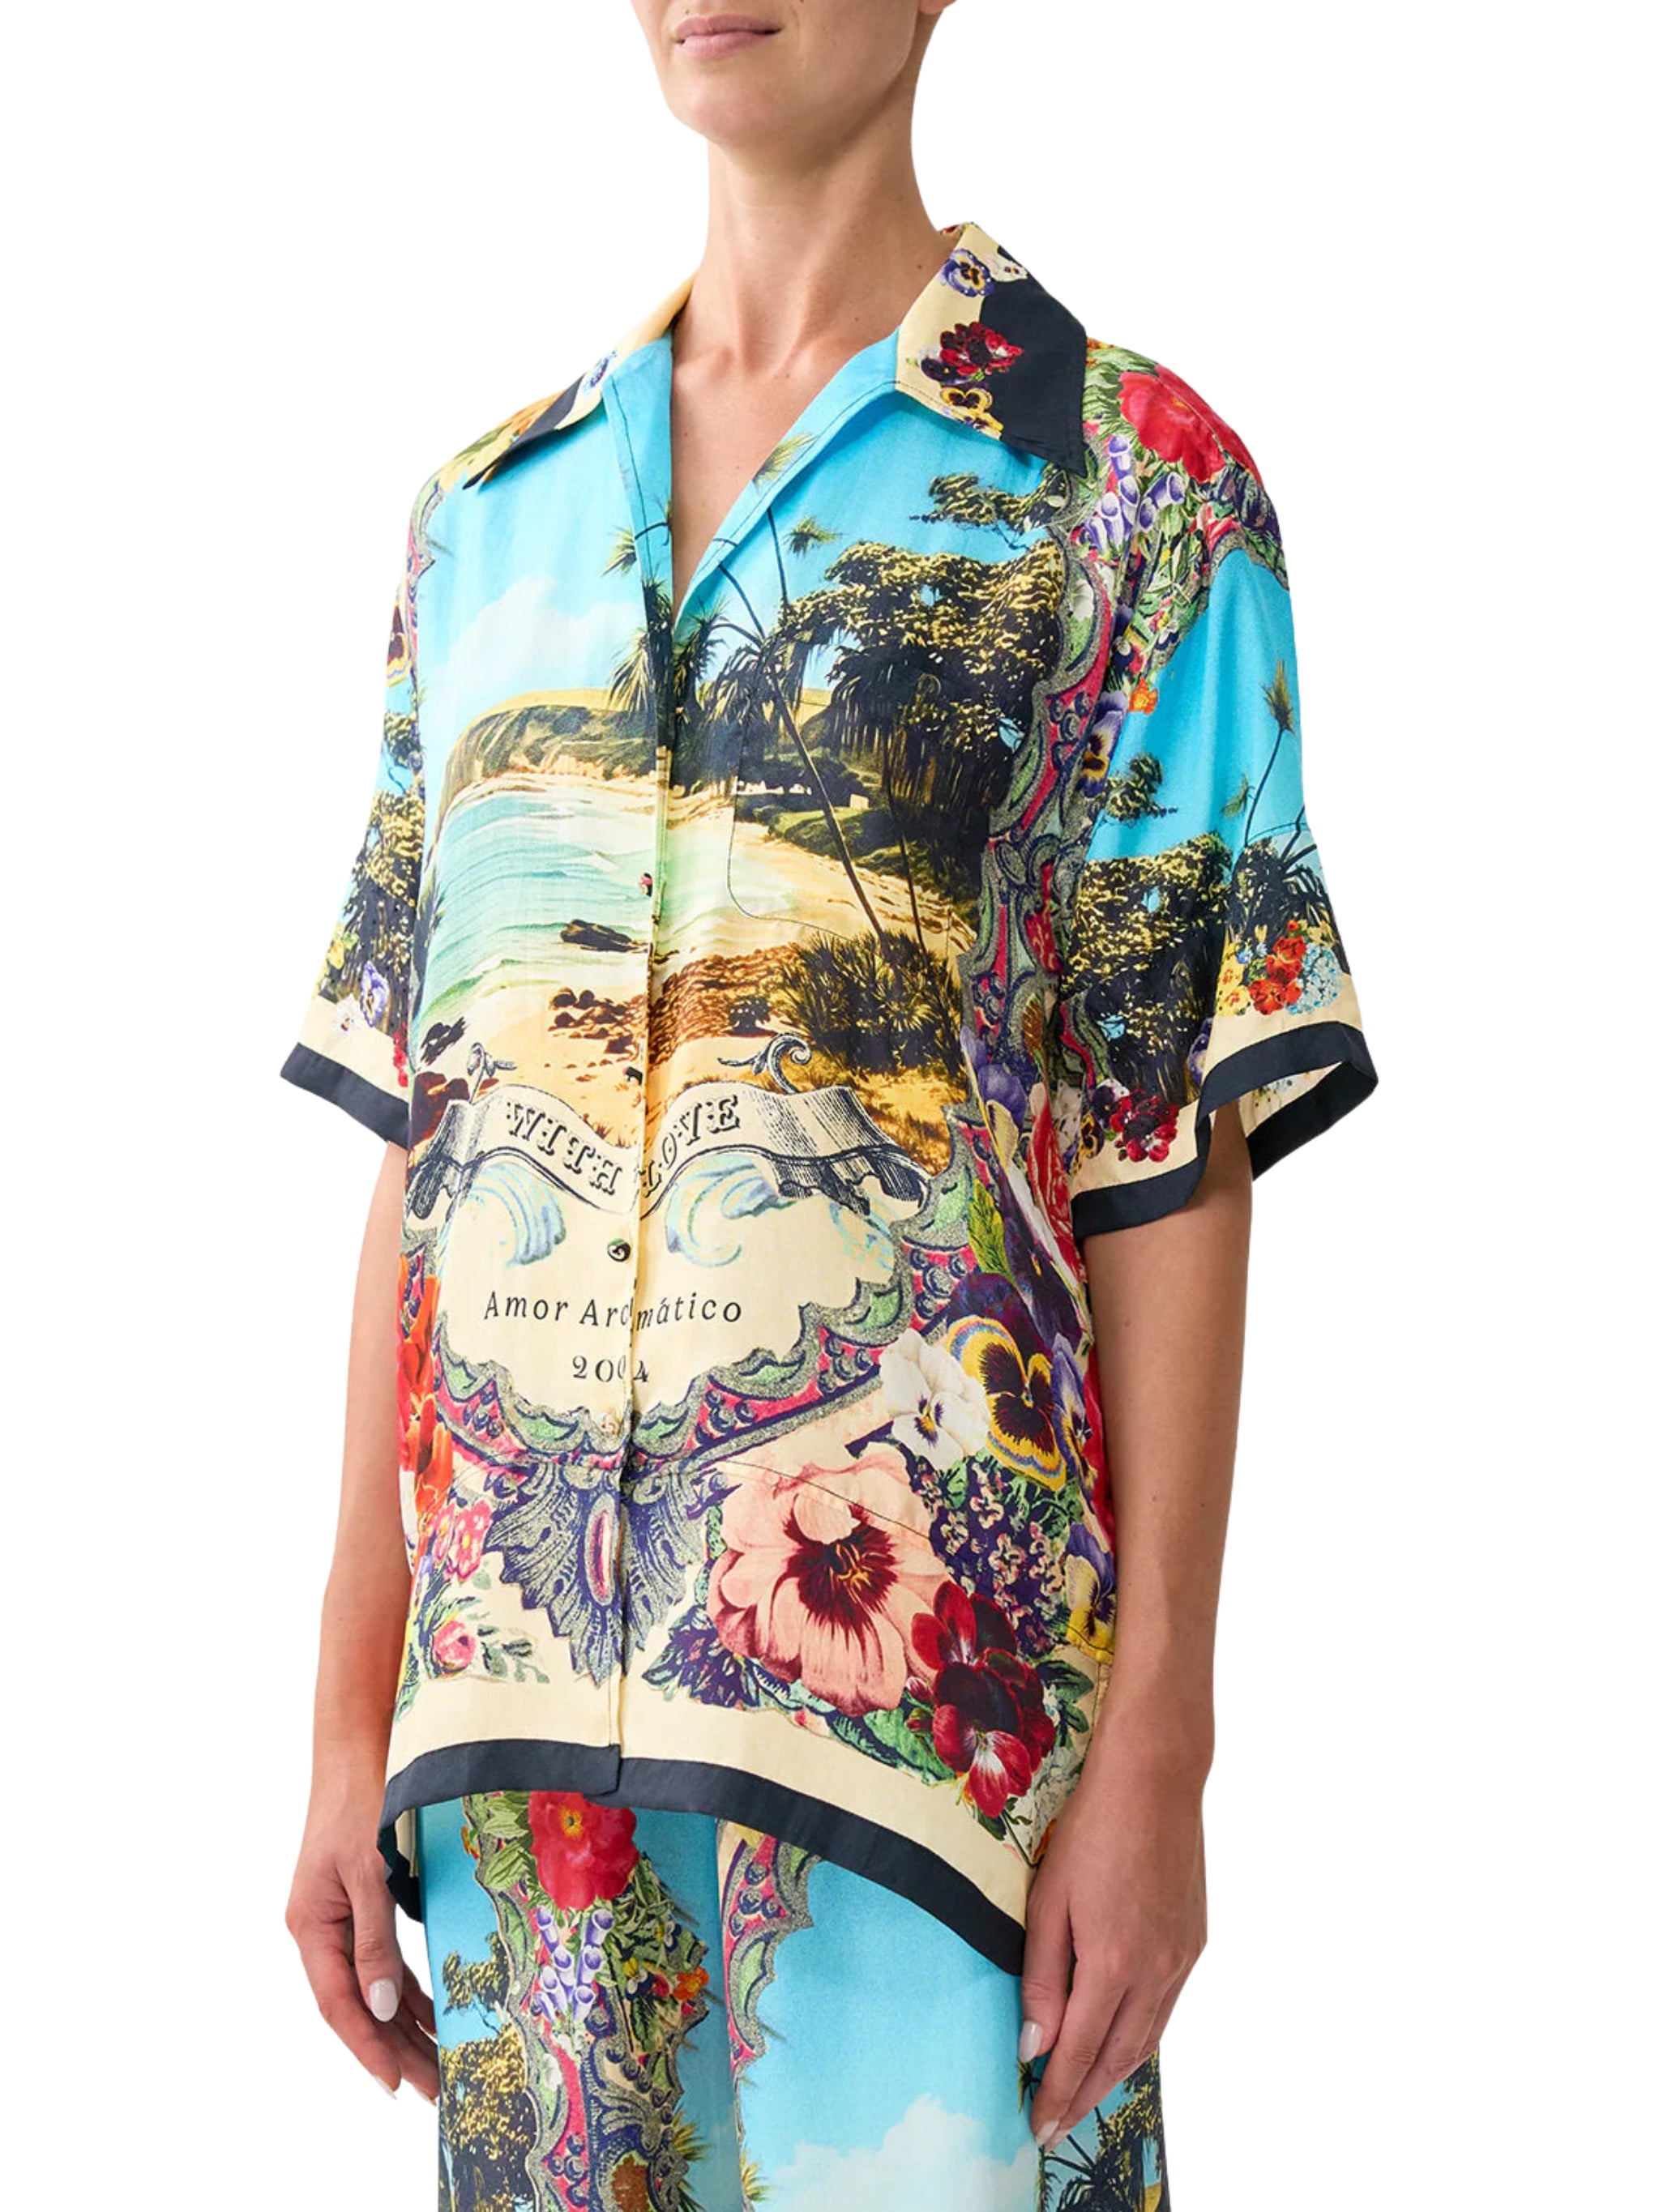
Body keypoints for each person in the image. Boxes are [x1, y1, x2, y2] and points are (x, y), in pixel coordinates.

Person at [278, 4, 1377, 2205]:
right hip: (514, 1770)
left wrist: (1165, 1732)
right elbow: (432, 1133)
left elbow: (1164, 1145)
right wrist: (344, 1707)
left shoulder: (1133, 488)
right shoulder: (484, 524)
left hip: (928, 1763)